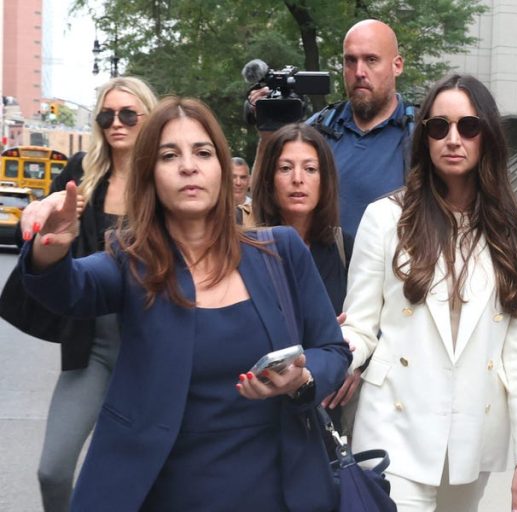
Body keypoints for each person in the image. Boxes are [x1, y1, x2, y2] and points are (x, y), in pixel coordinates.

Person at [18, 97, 350, 511]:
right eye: (169, 155)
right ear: (149, 175)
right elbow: (67, 289)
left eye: (203, 152)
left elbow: (332, 350)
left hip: (277, 488)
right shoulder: (129, 260)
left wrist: (301, 378)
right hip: (162, 491)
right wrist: (50, 246)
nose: (188, 166)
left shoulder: (280, 251)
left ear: (222, 169)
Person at [341, 74, 517, 512]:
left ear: (487, 136)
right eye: (439, 127)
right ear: (425, 137)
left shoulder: (516, 227)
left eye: (468, 127)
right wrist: (330, 356)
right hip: (393, 424)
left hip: (473, 432)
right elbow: (360, 325)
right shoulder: (385, 218)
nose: (453, 139)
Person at [32, 76, 158, 512]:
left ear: (149, 118)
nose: (116, 123)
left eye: (128, 114)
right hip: (92, 346)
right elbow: (46, 219)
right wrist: (42, 217)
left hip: (154, 344)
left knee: (152, 478)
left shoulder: (164, 178)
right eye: (106, 116)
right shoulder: (82, 174)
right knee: (53, 470)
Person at [248, 19, 411, 258]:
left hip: (394, 274)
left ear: (397, 66)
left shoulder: (422, 134)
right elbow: (263, 199)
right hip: (321, 274)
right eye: (350, 61)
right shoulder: (318, 128)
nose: (359, 72)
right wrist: (267, 138)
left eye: (371, 60)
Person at [250, 123, 344, 314]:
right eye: (285, 168)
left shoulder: (343, 248)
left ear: (325, 179)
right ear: (269, 178)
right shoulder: (246, 249)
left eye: (310, 169)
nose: (298, 179)